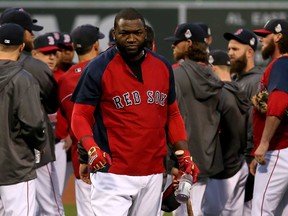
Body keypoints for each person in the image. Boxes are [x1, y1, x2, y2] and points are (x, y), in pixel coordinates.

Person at [71, 8, 199, 216]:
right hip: (112, 173)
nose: (131, 38)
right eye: (124, 33)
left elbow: (172, 115)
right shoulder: (97, 68)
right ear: (114, 33)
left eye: (137, 33)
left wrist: (183, 153)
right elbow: (80, 116)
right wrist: (91, 148)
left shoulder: (162, 66)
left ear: (145, 34)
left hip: (154, 171)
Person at [0, 8, 63, 215]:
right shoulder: (33, 70)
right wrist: (38, 144)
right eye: (30, 30)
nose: (33, 35)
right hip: (27, 155)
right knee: (49, 206)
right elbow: (46, 111)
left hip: (7, 156)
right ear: (21, 39)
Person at [164, 23, 224, 216]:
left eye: (177, 42)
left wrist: (171, 162)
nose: (173, 46)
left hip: (183, 160)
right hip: (210, 161)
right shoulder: (215, 77)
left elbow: (167, 119)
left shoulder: (175, 74)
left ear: (188, 43)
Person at [58, 24, 105, 216]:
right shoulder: (107, 70)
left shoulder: (64, 79)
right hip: (111, 157)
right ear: (95, 44)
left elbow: (66, 123)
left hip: (82, 158)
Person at [0, 23, 46, 216]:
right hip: (16, 167)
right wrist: (38, 145)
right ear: (21, 47)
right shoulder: (23, 79)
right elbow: (34, 124)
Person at [250, 18, 288, 215]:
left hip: (278, 150)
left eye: (266, 36)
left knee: (261, 211)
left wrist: (263, 145)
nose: (261, 40)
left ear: (278, 37)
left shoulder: (281, 64)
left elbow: (279, 101)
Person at [204, 49, 249, 215]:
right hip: (239, 163)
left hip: (222, 169)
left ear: (214, 68)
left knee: (208, 213)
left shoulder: (219, 94)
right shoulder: (239, 90)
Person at [223, 28, 263, 213]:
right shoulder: (236, 79)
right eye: (229, 49)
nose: (230, 53)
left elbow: (254, 124)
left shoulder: (256, 81)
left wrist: (249, 157)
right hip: (233, 160)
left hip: (247, 162)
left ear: (249, 52)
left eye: (235, 49)